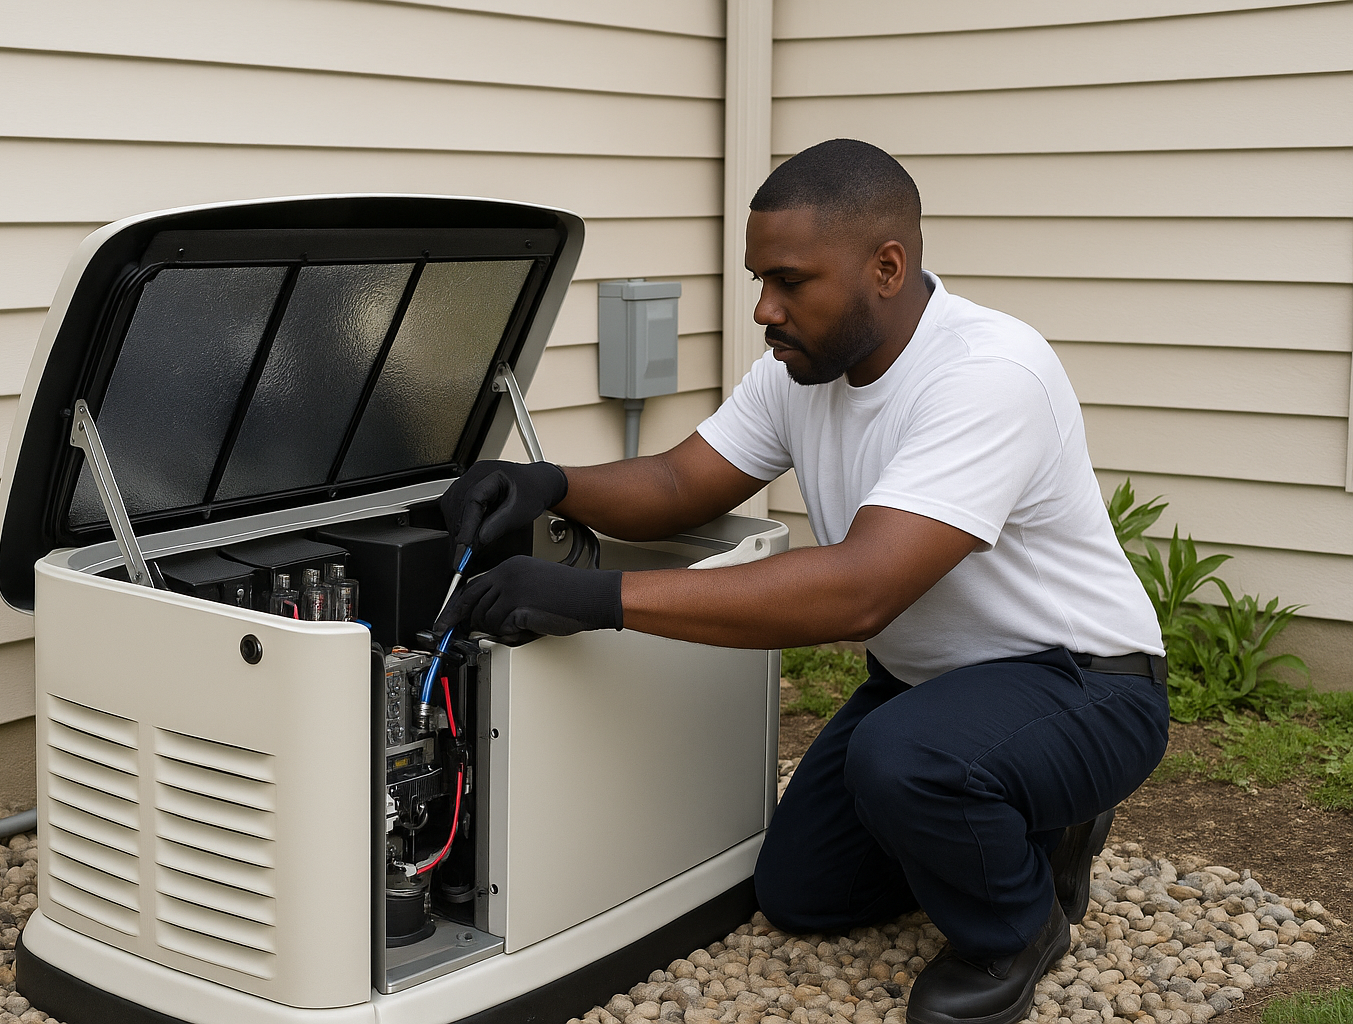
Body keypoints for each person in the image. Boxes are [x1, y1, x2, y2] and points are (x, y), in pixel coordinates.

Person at [433, 139, 1168, 1024]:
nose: (763, 309)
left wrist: (597, 600)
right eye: (759, 282)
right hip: (931, 688)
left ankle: (1019, 924)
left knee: (902, 763)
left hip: (1082, 683)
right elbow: (679, 484)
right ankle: (1012, 815)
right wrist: (552, 486)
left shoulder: (989, 374)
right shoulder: (804, 371)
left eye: (789, 282)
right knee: (800, 893)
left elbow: (859, 590)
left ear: (886, 267)